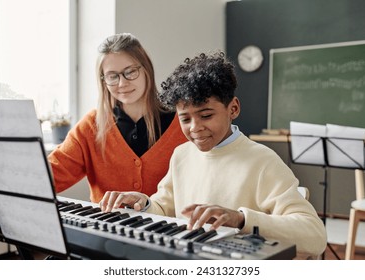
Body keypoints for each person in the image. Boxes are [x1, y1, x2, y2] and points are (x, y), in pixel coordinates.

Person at [99, 51, 327, 257]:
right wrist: (143, 203)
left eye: (206, 115)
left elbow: (315, 235)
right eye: (185, 119)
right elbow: (164, 208)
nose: (195, 128)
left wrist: (241, 219)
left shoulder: (263, 161)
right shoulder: (181, 154)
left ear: (233, 109)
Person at [48, 33, 187, 203]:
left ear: (146, 69)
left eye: (130, 72)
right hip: (104, 229)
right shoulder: (91, 126)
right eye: (112, 76)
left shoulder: (183, 122)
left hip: (168, 229)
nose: (122, 83)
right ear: (103, 81)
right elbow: (49, 177)